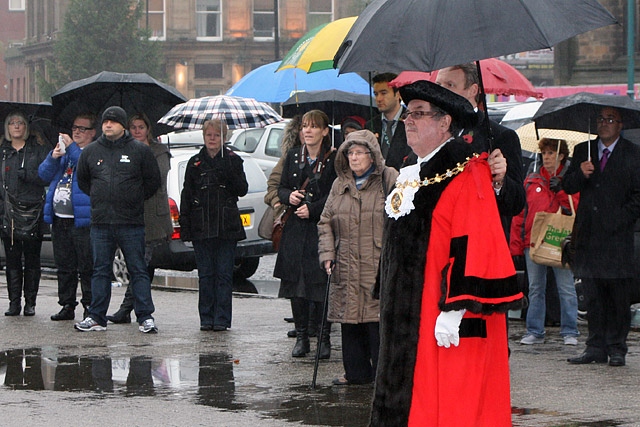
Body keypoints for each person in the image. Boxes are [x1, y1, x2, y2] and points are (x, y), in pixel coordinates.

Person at [370, 80, 523, 426]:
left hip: (442, 314)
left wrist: (455, 309)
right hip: (408, 313)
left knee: (448, 405)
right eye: (408, 113)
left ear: (444, 123)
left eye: (420, 114)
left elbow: (477, 240)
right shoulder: (410, 173)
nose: (409, 120)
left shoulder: (466, 172)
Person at [318, 129, 398, 386]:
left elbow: (401, 219)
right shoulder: (339, 184)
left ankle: (382, 376)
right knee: (349, 320)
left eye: (359, 152)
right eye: (349, 153)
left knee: (376, 322)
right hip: (345, 264)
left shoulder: (389, 178)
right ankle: (355, 374)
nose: (353, 158)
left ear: (372, 156)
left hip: (376, 265)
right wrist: (328, 253)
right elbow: (325, 221)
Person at [563, 107, 640, 367]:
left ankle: (616, 347)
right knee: (593, 294)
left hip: (618, 237)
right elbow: (567, 185)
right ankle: (594, 346)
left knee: (618, 296)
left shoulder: (632, 153)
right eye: (600, 119)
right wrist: (579, 174)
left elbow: (637, 197)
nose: (604, 124)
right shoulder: (583, 150)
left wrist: (618, 219)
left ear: (620, 125)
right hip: (589, 235)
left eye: (610, 120)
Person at [75, 106, 161, 333]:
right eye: (105, 121)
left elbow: (152, 182)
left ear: (123, 125)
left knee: (138, 269)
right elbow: (84, 181)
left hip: (130, 222)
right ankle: (96, 317)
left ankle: (145, 317)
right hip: (101, 222)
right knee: (100, 270)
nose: (108, 125)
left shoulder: (139, 151)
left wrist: (132, 199)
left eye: (113, 121)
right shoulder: (91, 152)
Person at [273, 110, 337, 358]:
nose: (307, 131)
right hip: (295, 231)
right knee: (295, 286)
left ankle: (323, 338)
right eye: (304, 127)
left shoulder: (332, 159)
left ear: (324, 131)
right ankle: (301, 337)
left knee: (320, 287)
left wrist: (312, 209)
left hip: (320, 229)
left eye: (313, 127)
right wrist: (288, 196)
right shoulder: (293, 155)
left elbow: (334, 194)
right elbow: (280, 187)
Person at [434, 63, 525, 235]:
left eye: (450, 85)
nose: (441, 92)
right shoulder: (432, 133)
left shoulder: (501, 136)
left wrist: (500, 181)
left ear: (472, 90)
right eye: (439, 85)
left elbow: (517, 202)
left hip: (482, 242)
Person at [179, 119, 248, 331]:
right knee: (206, 275)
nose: (212, 139)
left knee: (224, 275)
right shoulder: (195, 162)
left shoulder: (233, 160)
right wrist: (185, 225)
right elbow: (187, 195)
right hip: (202, 226)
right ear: (203, 136)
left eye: (216, 135)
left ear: (223, 137)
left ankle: (222, 319)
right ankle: (206, 318)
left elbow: (242, 189)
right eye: (209, 135)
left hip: (226, 226)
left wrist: (229, 170)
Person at [510, 138, 580, 346]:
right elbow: (520, 213)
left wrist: (560, 190)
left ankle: (570, 331)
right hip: (533, 241)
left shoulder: (570, 179)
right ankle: (534, 330)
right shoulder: (531, 179)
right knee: (535, 288)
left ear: (561, 156)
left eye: (551, 153)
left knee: (566, 287)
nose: (546, 158)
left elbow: (573, 209)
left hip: (561, 242)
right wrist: (515, 244)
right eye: (544, 154)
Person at [107, 112, 173, 324]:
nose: (137, 131)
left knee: (141, 264)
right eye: (133, 127)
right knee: (140, 265)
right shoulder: (123, 150)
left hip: (151, 216)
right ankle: (132, 308)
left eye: (141, 127)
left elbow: (155, 178)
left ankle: (128, 309)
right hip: (128, 215)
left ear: (148, 129)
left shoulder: (158, 151)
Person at [38, 113, 96, 321]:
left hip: (81, 219)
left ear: (92, 132)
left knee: (87, 265)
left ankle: (90, 305)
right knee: (64, 265)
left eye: (82, 129)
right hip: (60, 218)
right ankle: (67, 305)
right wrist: (52, 157)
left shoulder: (91, 152)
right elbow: (43, 175)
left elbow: (84, 168)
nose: (77, 132)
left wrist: (71, 148)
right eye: (74, 128)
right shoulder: (63, 154)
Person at [1, 111, 49, 317]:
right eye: (12, 123)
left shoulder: (36, 150)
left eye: (20, 123)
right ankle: (14, 303)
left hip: (32, 211)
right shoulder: (3, 151)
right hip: (8, 212)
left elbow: (45, 175)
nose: (17, 126)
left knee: (32, 259)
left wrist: (28, 175)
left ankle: (31, 302)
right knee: (12, 259)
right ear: (7, 128)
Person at [366, 72, 411, 170]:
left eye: (383, 93)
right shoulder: (370, 125)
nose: (378, 99)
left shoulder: (412, 121)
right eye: (376, 94)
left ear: (398, 94)